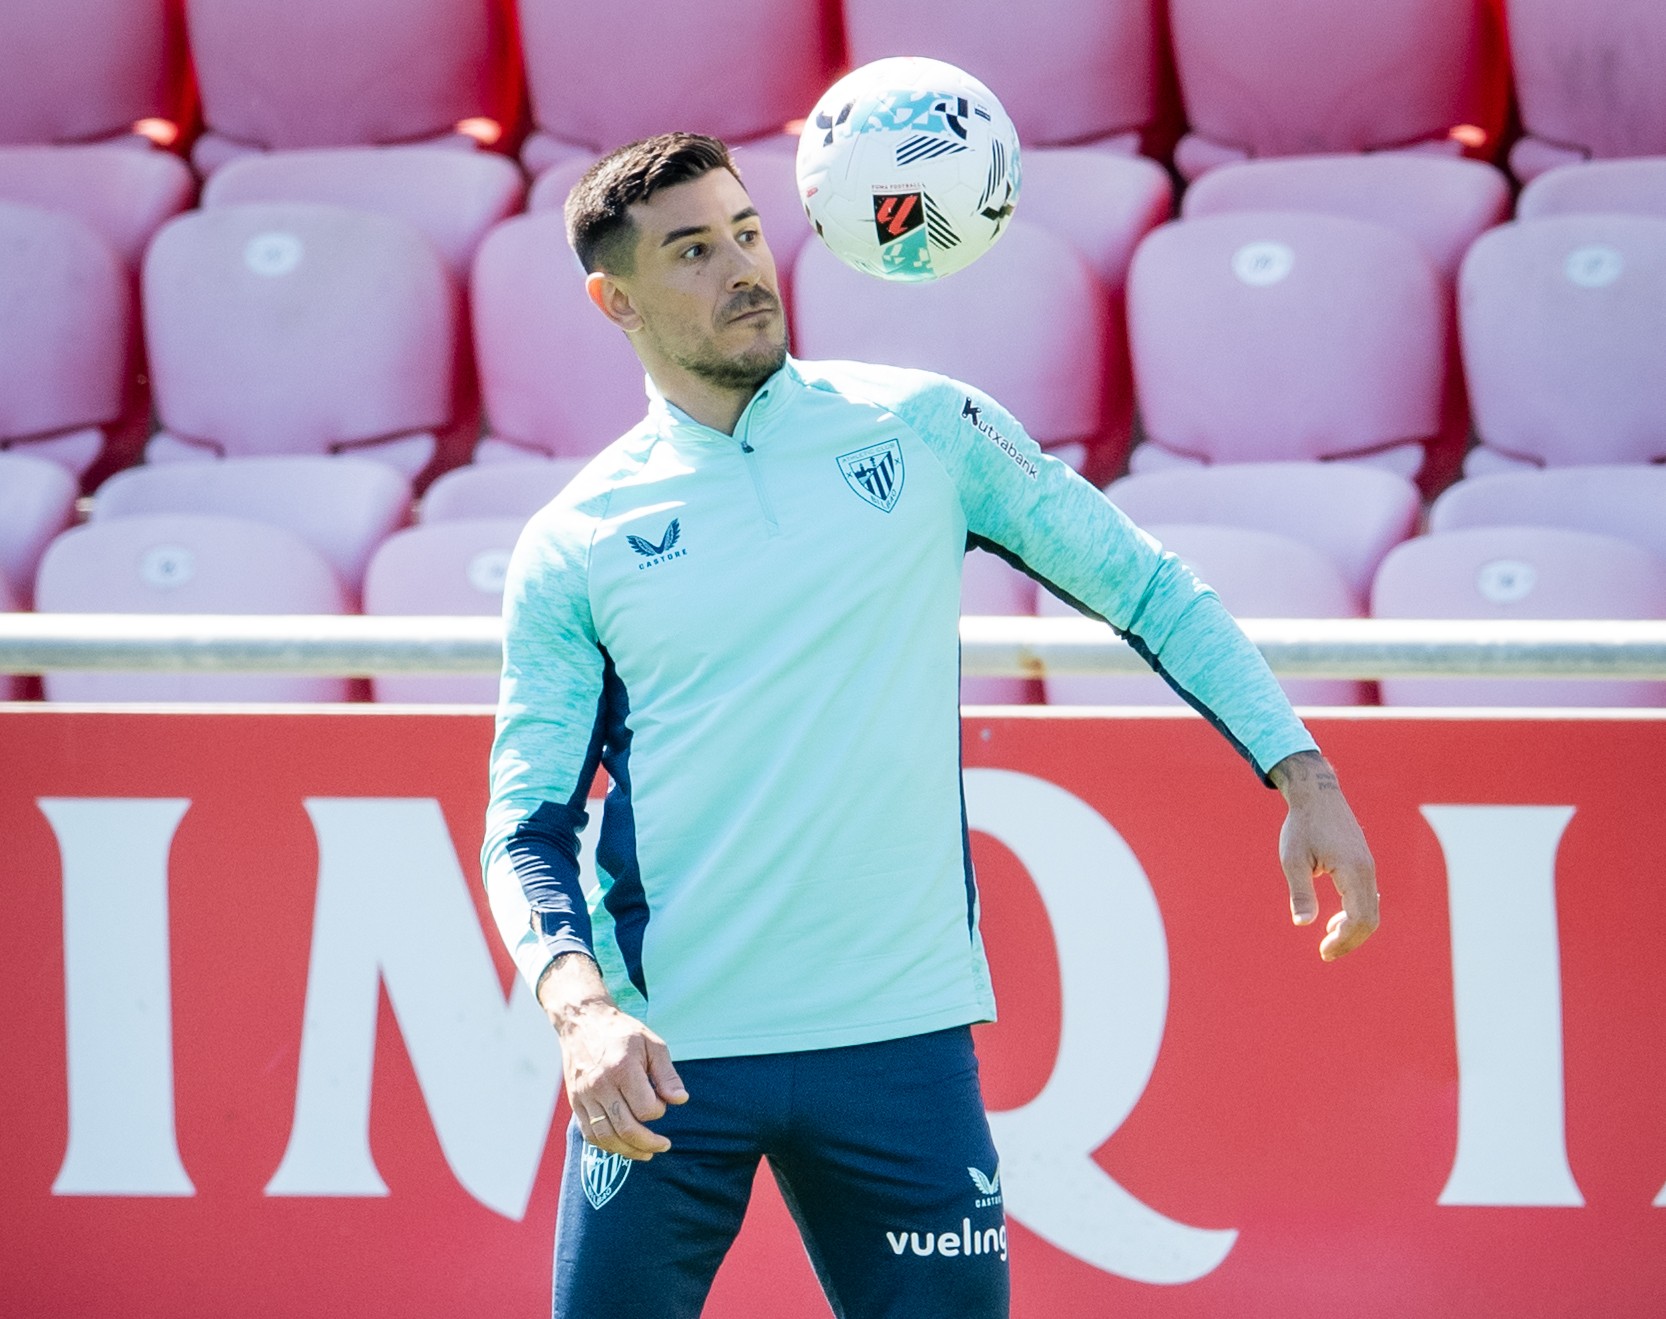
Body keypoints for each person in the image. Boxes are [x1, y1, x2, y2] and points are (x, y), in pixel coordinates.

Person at [482, 132, 1378, 1319]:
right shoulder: (575, 540)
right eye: (691, 251)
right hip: (662, 1061)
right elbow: (525, 820)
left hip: (898, 1047)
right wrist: (580, 1007)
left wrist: (1300, 771)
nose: (742, 267)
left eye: (746, 232)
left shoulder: (927, 429)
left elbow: (1149, 586)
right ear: (615, 299)